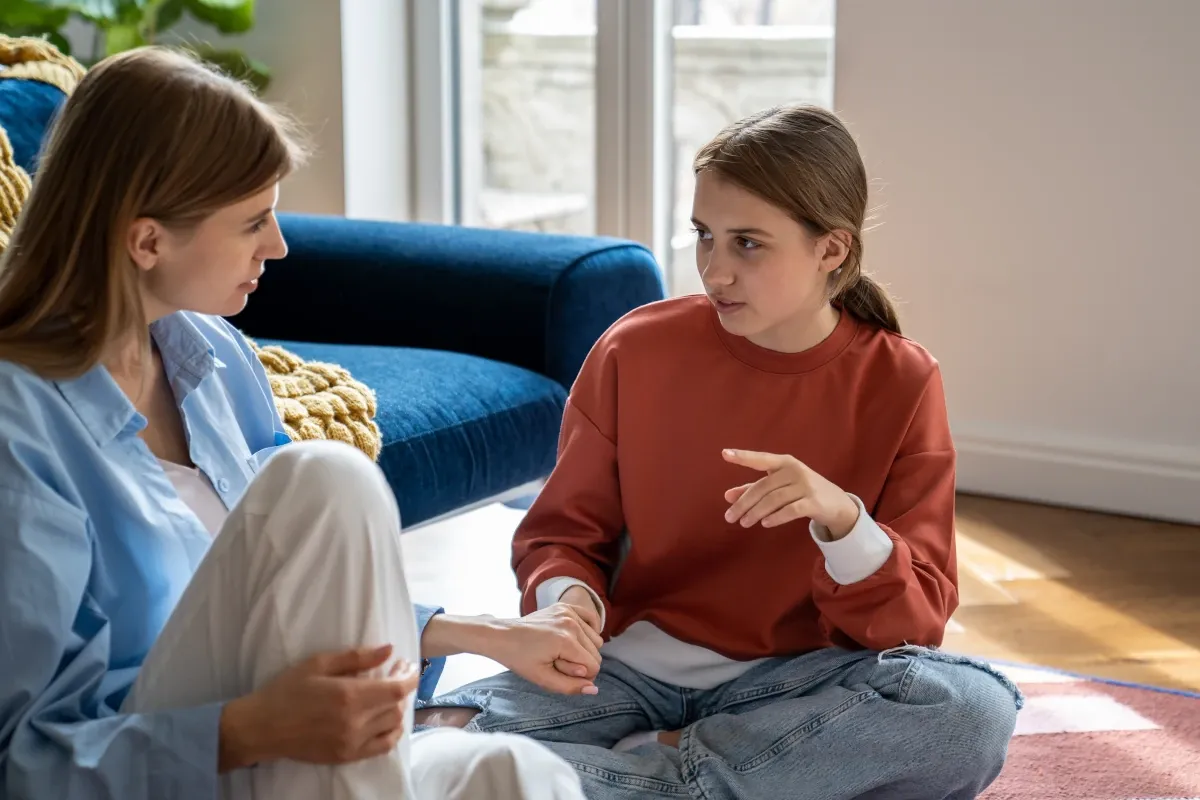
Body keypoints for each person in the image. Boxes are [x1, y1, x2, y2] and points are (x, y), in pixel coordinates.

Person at [0, 46, 604, 800]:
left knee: (515, 771)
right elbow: (18, 764)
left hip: (284, 765)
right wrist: (252, 731)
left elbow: (300, 591)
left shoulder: (211, 357)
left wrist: (475, 632)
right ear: (147, 240)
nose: (279, 246)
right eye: (253, 220)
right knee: (323, 477)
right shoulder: (17, 431)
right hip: (171, 769)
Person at [414, 105, 1025, 799]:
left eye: (748, 244)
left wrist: (842, 522)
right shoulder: (635, 349)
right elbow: (563, 532)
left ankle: (635, 778)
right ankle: (717, 778)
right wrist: (569, 603)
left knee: (969, 712)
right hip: (620, 673)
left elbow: (916, 624)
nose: (715, 269)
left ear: (832, 249)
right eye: (705, 236)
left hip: (798, 683)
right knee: (434, 735)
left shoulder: (903, 380)